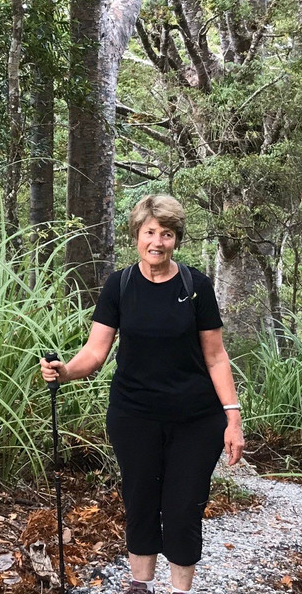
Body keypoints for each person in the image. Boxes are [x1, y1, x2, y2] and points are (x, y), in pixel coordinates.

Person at [41, 194, 245, 594]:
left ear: (176, 239)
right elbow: (95, 352)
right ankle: (139, 585)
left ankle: (179, 590)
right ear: (136, 235)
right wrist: (65, 372)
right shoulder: (120, 285)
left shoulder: (197, 286)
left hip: (196, 419)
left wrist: (233, 418)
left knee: (184, 507)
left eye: (166, 234)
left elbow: (217, 357)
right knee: (140, 502)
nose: (157, 241)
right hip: (134, 415)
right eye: (149, 232)